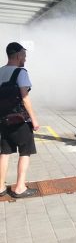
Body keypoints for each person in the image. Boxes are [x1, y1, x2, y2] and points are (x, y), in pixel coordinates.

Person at [0, 42, 39, 198]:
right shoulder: (20, 72)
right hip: (20, 120)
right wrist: (34, 120)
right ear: (17, 55)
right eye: (24, 55)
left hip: (3, 120)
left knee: (4, 152)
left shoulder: (0, 71)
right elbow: (25, 98)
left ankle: (0, 186)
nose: (25, 58)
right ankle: (19, 188)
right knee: (25, 152)